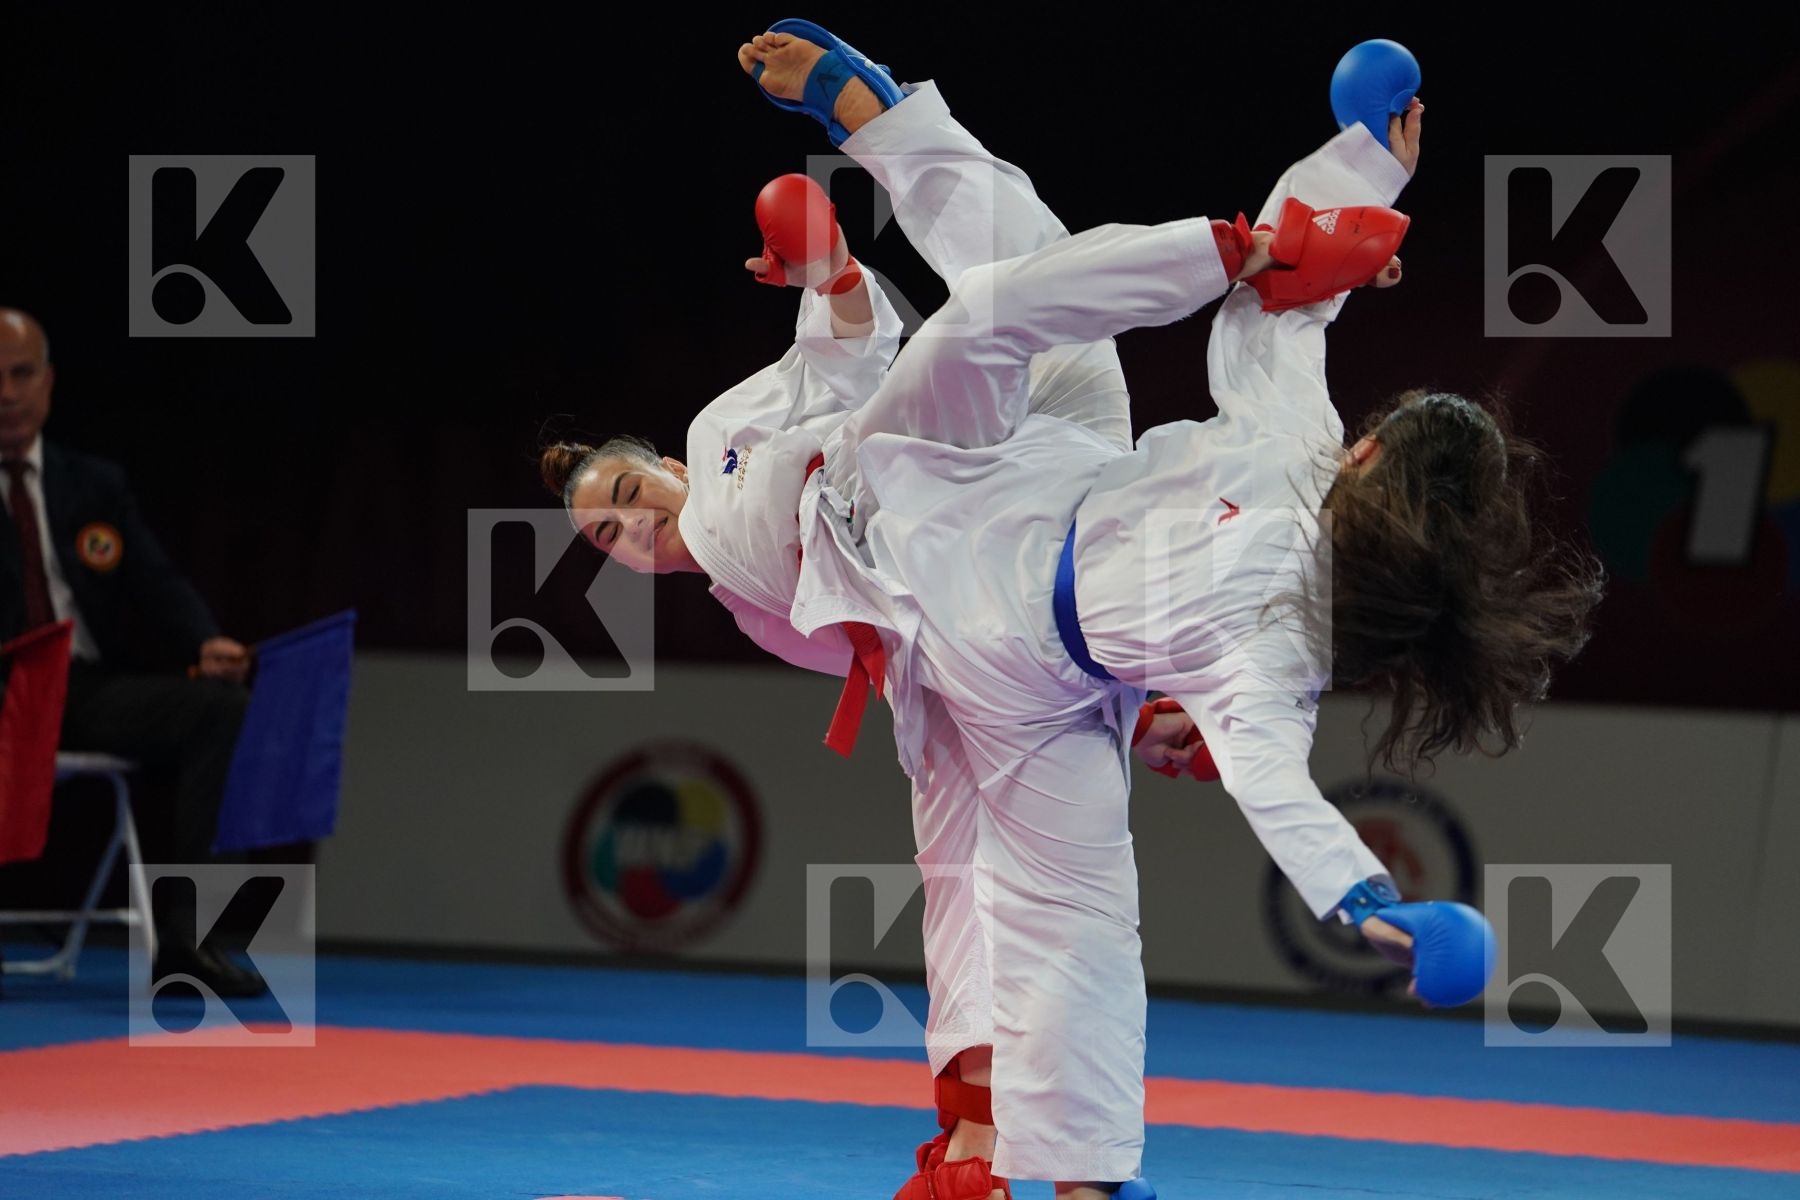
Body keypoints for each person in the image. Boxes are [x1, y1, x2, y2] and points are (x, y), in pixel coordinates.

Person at [543, 24, 1595, 1199]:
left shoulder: (1280, 634)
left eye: (621, 508)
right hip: (1044, 479)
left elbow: (1278, 789)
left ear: (1369, 462)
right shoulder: (1293, 516)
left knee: (1074, 905)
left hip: (979, 591)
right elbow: (1285, 319)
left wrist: (1378, 904)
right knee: (1020, 296)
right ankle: (884, 117)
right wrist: (1362, 167)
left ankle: (1077, 1172)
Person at [0, 307, 265, 998]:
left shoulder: (92, 485)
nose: (6, 393)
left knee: (221, 709)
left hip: (79, 692)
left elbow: (154, 579)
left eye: (21, 374)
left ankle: (190, 944)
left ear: (48, 384)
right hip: (3, 694)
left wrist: (203, 640)